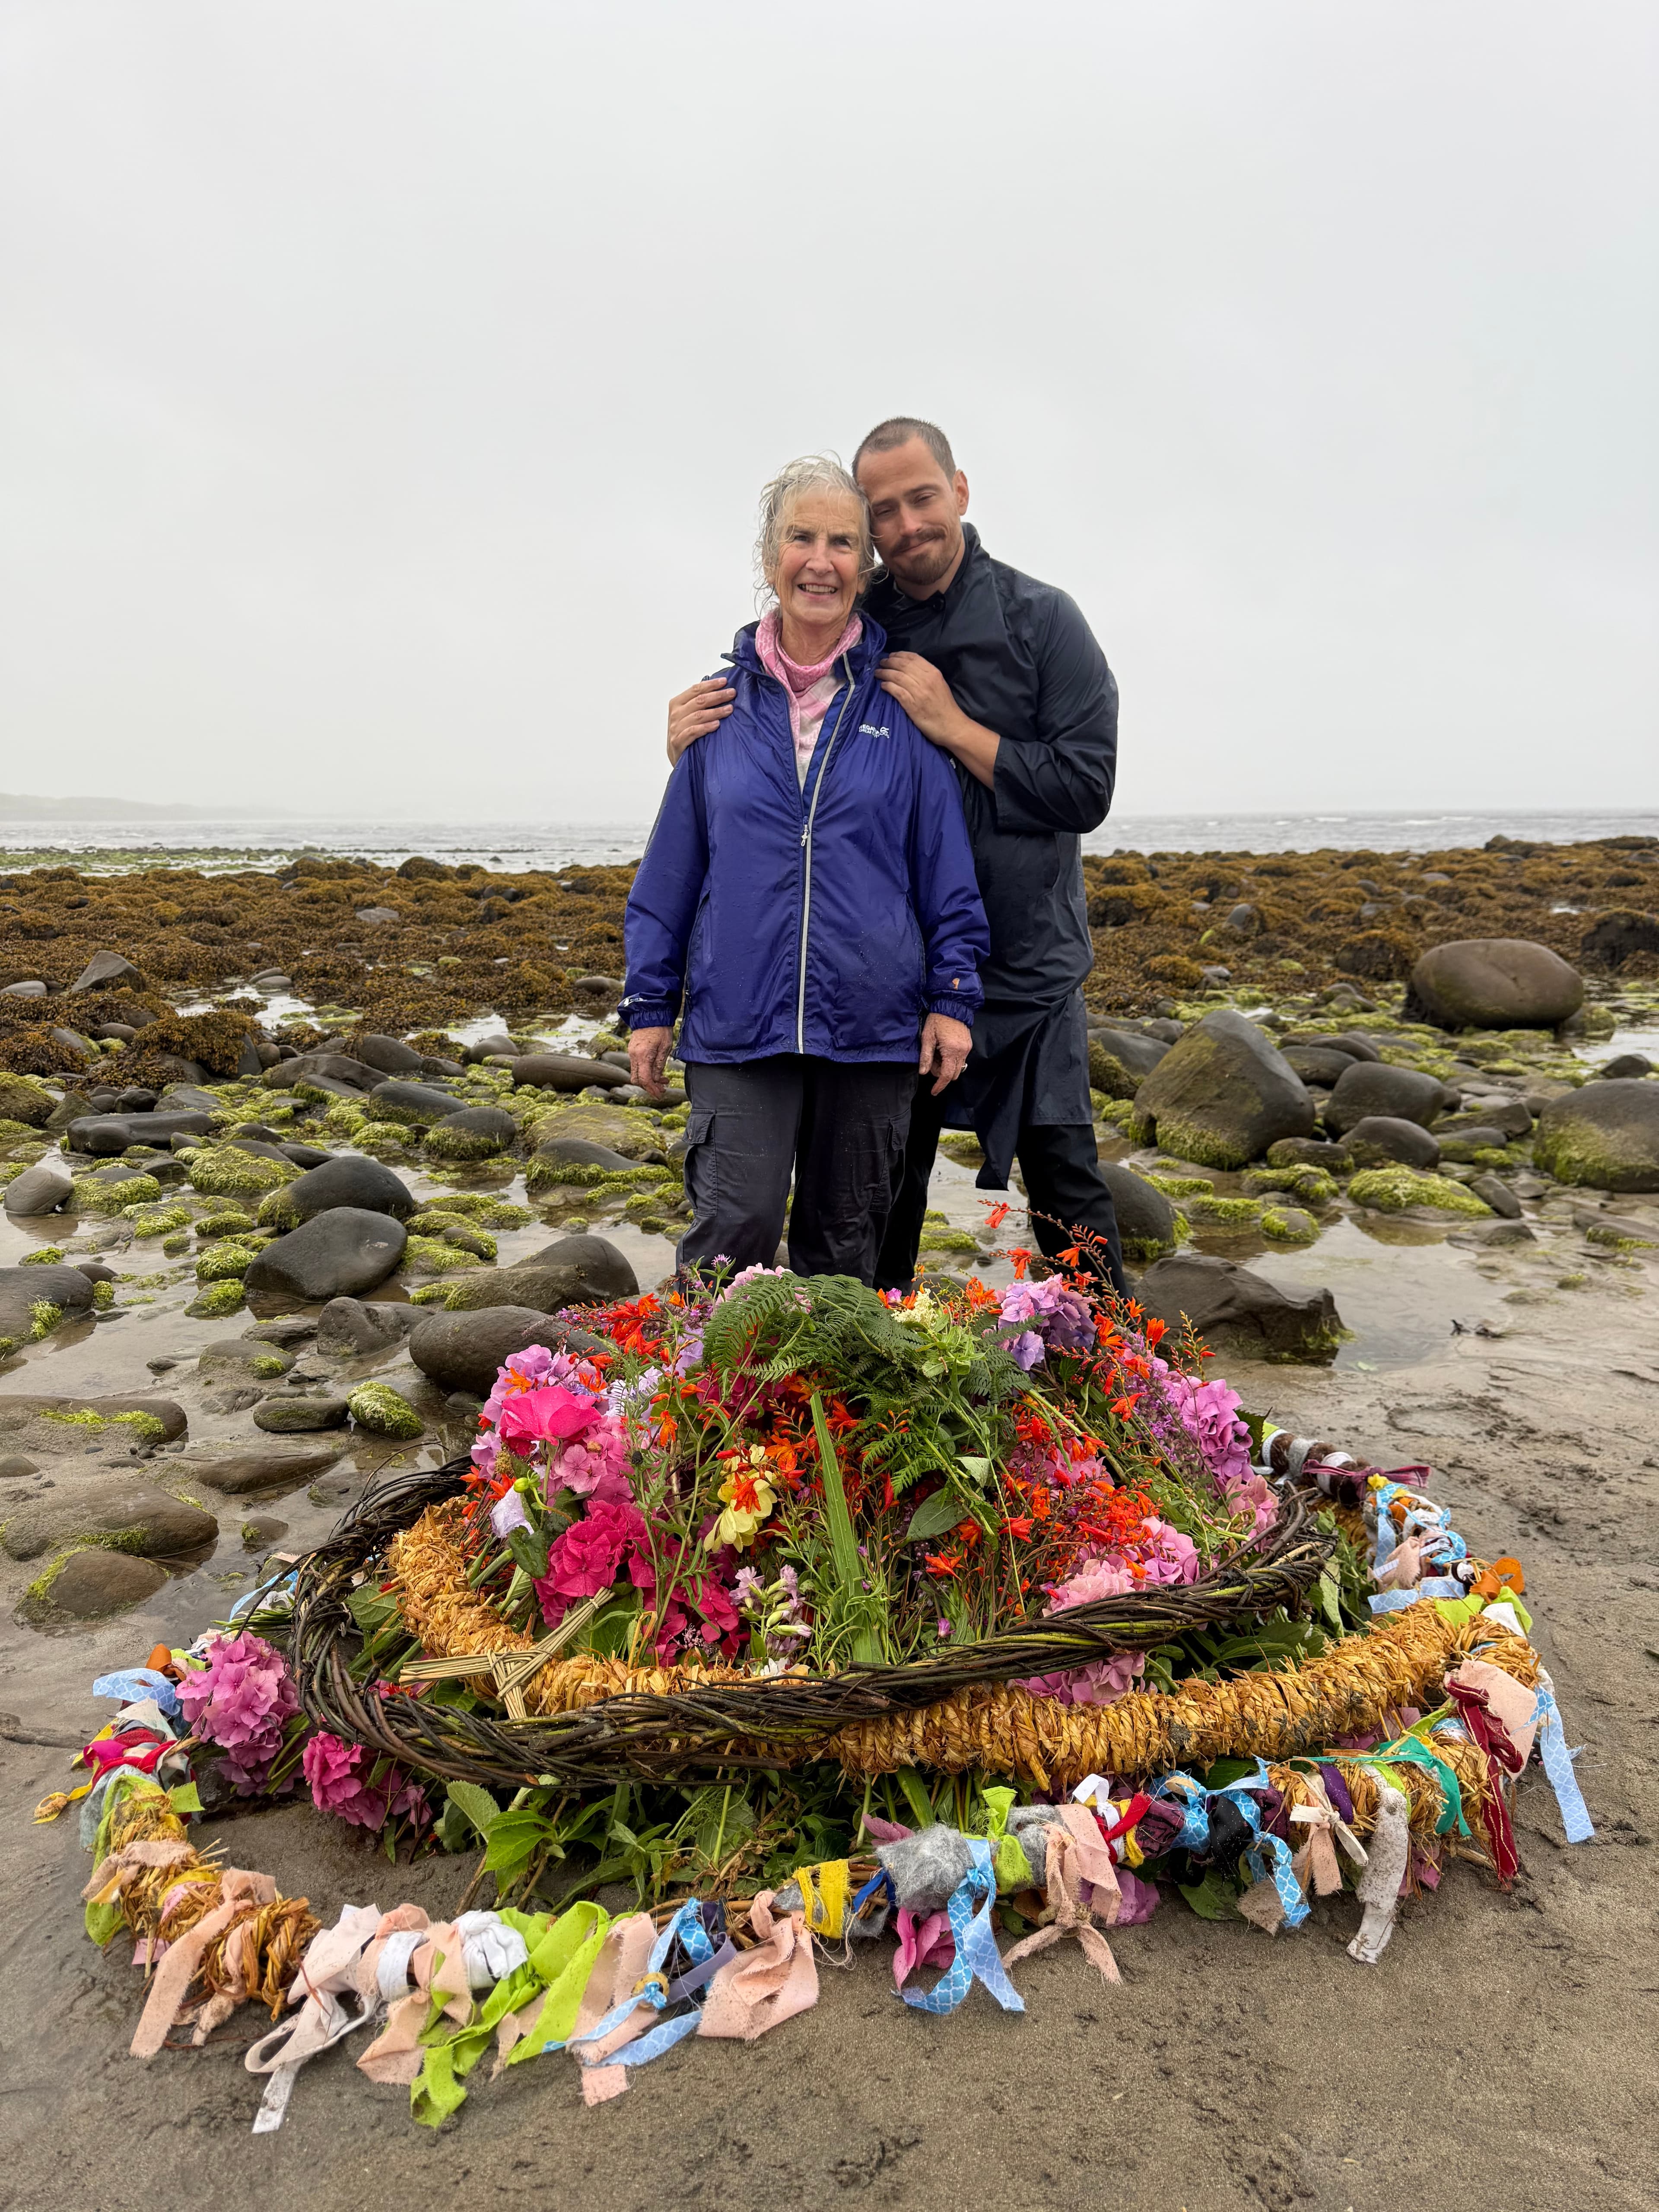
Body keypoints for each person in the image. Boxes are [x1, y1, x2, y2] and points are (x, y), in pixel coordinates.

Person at [667, 417, 1128, 1295]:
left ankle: (1124, 1383)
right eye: (886, 510)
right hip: (894, 980)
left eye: (923, 497)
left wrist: (954, 727)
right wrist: (699, 738)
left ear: (959, 490)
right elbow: (778, 693)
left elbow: (1087, 788)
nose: (909, 522)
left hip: (1029, 966)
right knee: (882, 1206)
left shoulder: (1044, 620)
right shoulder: (859, 624)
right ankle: (867, 1386)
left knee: (1069, 1192)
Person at [623, 454, 989, 1286]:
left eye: (842, 542)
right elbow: (671, 876)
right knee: (731, 1231)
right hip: (736, 1022)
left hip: (872, 1027)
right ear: (768, 558)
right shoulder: (717, 710)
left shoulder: (900, 704)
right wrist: (650, 1004)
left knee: (846, 1250)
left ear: (865, 567)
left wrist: (954, 1000)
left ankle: (827, 1418)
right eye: (801, 538)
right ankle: (706, 1413)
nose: (820, 560)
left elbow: (945, 875)